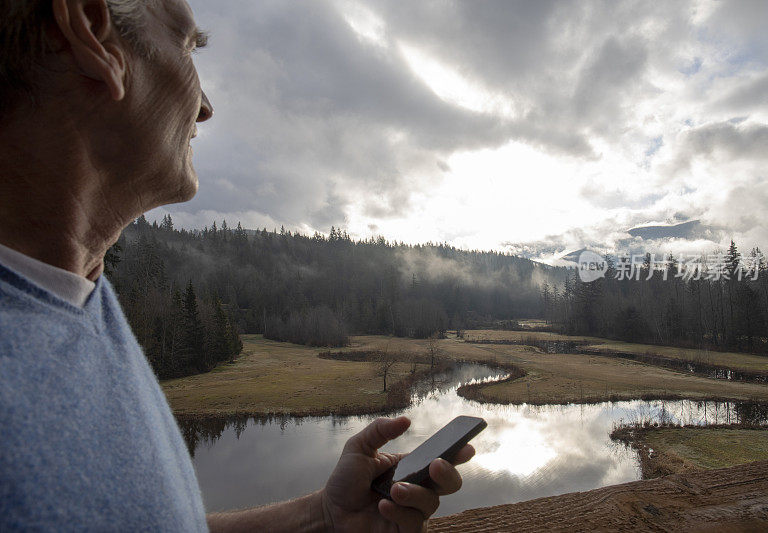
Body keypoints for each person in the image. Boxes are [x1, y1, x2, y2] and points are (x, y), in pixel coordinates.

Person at [0, 0, 474, 530]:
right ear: (91, 30)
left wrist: (321, 517)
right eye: (186, 45)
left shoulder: (76, 288)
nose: (205, 106)